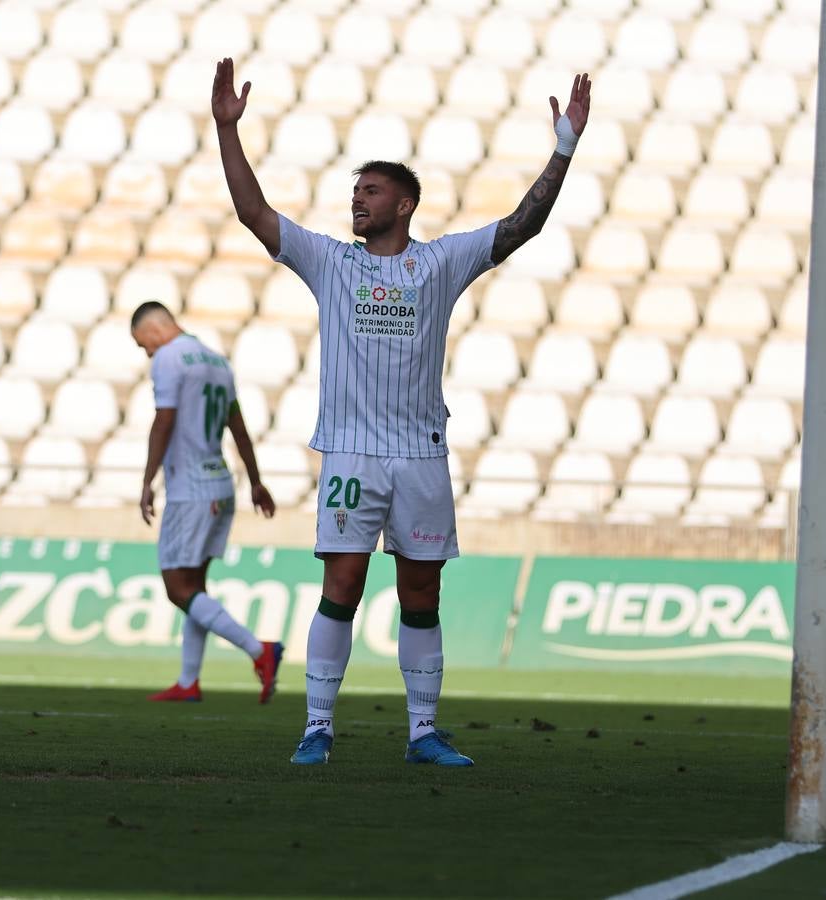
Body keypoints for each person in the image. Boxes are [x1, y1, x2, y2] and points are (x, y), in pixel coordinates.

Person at [211, 57, 591, 765]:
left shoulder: (442, 263)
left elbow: (521, 227)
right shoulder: (331, 261)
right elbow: (253, 214)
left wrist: (563, 147)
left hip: (420, 451)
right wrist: (227, 130)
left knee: (421, 589)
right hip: (352, 450)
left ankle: (422, 733)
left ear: (405, 204)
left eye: (372, 191)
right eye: (356, 191)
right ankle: (316, 728)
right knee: (343, 583)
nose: (358, 201)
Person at [132, 301, 284, 704]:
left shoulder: (168, 358)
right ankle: (188, 681)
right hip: (220, 484)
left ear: (154, 330)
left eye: (142, 344)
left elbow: (164, 420)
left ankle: (259, 651)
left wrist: (148, 480)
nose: (145, 353)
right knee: (195, 586)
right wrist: (255, 481)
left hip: (190, 490)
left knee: (176, 588)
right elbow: (239, 427)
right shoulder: (217, 361)